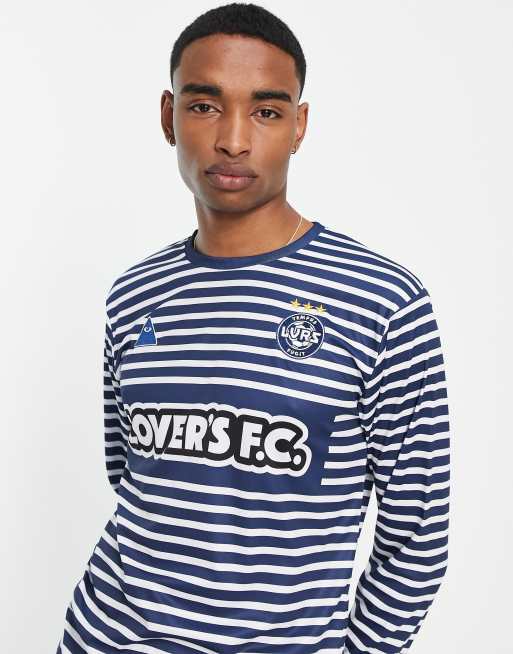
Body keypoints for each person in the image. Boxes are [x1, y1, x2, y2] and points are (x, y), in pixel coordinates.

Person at [56, 3, 451, 653]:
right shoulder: (133, 294)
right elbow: (135, 478)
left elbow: (417, 537)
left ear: (298, 126)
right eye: (204, 105)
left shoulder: (382, 302)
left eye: (266, 111)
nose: (233, 140)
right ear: (168, 116)